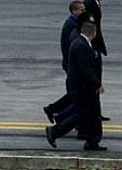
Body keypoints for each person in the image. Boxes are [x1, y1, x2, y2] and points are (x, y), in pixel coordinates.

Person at [45, 21, 106, 151]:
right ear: (93, 33)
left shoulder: (81, 43)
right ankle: (54, 131)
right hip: (82, 88)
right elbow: (85, 69)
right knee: (82, 114)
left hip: (85, 87)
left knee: (94, 115)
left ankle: (93, 142)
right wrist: (97, 84)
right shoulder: (81, 46)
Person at [43, 0, 87, 123]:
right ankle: (59, 113)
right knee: (77, 93)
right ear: (74, 11)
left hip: (70, 63)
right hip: (72, 64)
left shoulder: (73, 22)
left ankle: (55, 110)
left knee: (76, 93)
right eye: (81, 10)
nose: (84, 12)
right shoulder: (73, 24)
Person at [82, 0, 110, 121]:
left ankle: (96, 112)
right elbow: (89, 29)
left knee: (96, 80)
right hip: (93, 47)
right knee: (93, 81)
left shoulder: (96, 4)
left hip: (97, 46)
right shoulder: (88, 5)